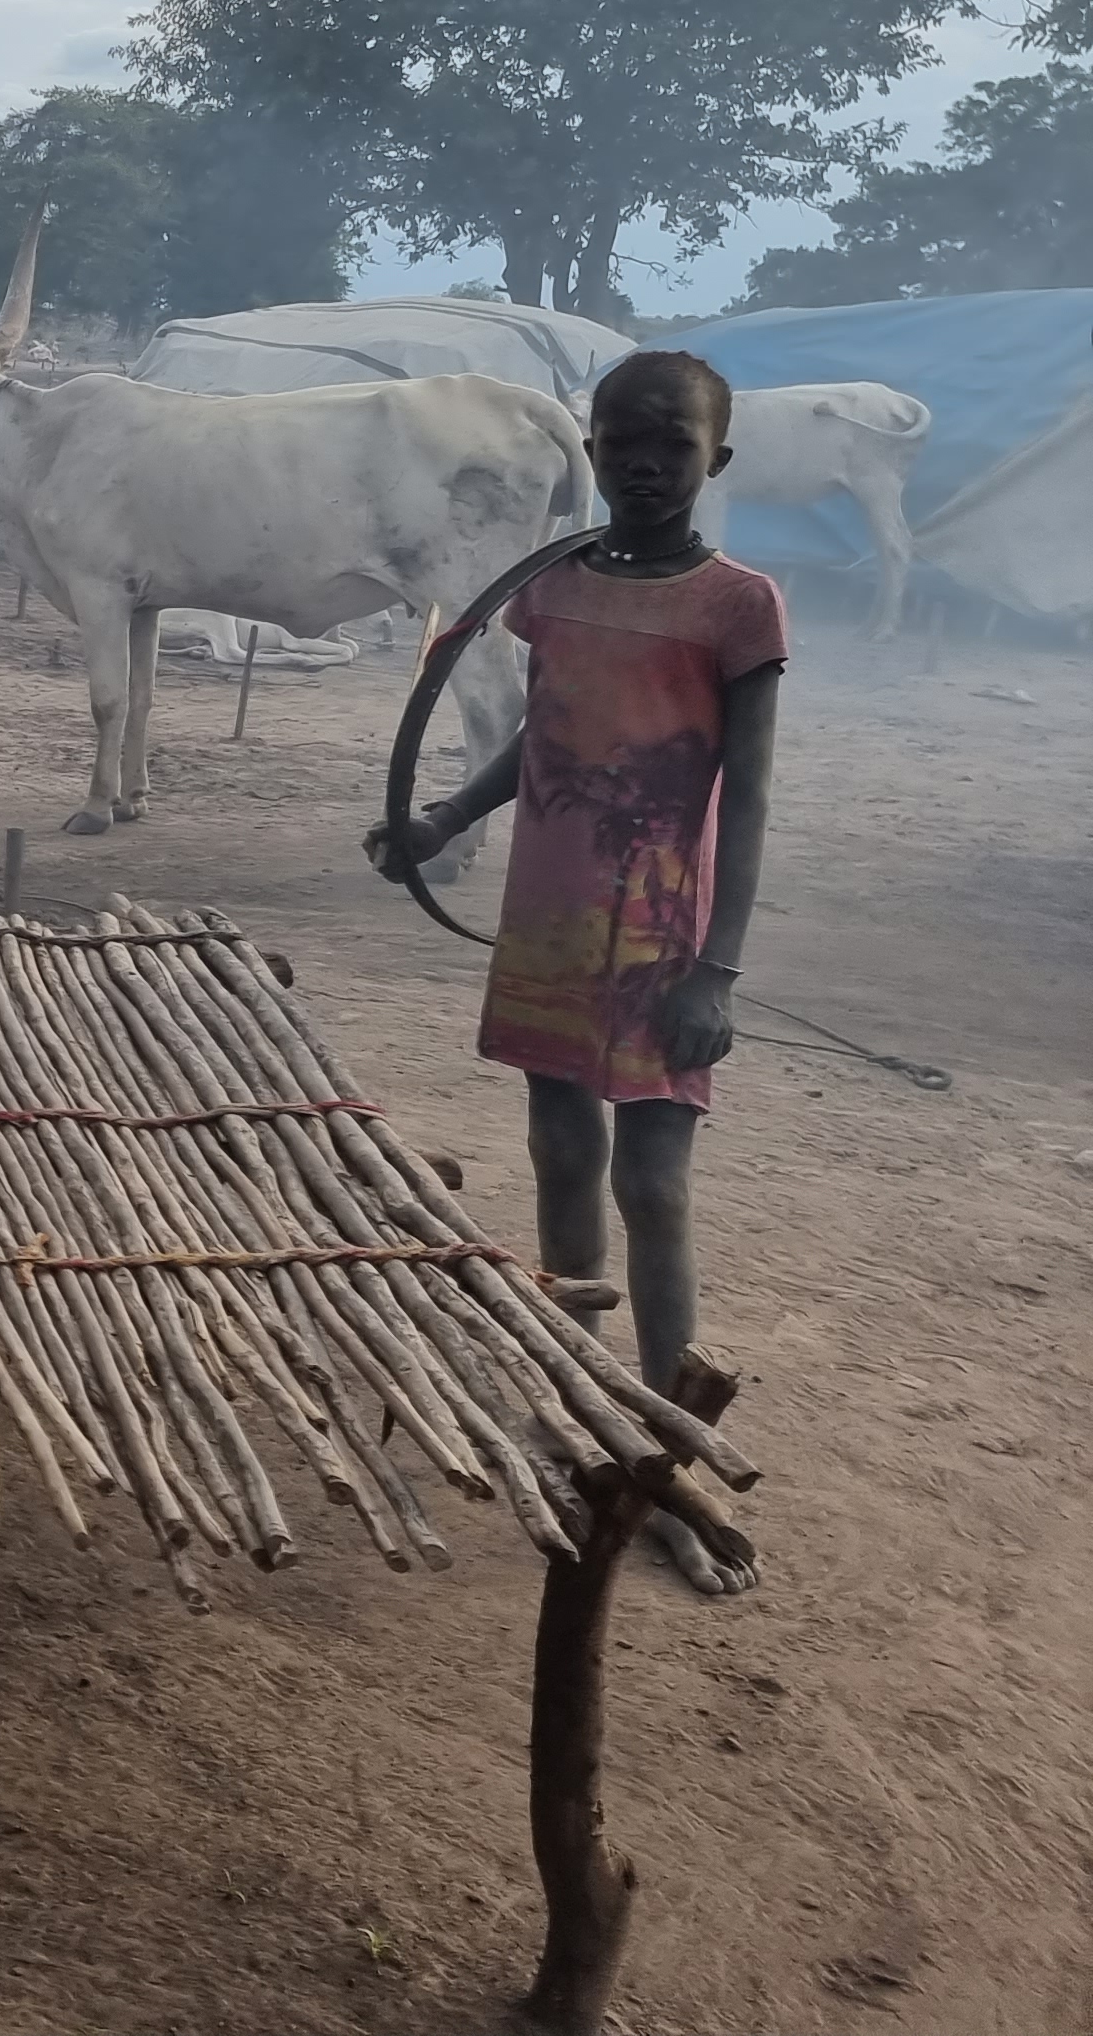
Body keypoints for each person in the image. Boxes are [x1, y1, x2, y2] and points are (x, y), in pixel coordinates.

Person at [364, 349, 780, 1592]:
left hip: (661, 931)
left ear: (717, 460)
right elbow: (535, 737)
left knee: (653, 1185)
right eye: (624, 441)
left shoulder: (737, 605)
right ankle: (578, 1407)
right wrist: (440, 819)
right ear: (590, 452)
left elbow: (747, 798)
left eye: (675, 444)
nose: (647, 464)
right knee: (560, 1158)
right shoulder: (549, 585)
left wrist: (718, 968)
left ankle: (666, 1445)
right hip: (547, 910)